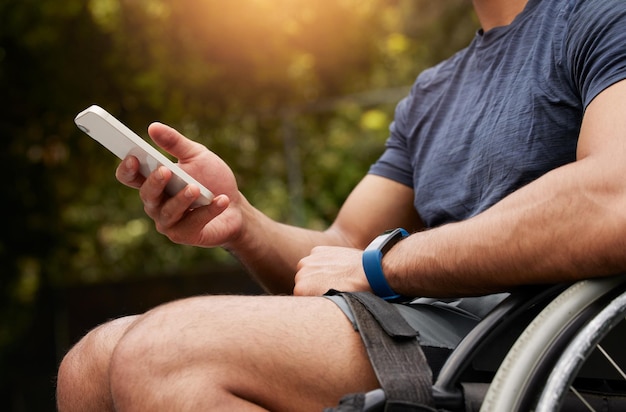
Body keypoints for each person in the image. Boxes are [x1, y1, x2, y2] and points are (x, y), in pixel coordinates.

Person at [56, 0, 626, 410]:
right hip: (441, 331)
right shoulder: (433, 92)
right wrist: (239, 220)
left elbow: (613, 198)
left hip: (544, 344)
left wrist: (383, 266)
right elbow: (342, 250)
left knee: (166, 351)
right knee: (90, 363)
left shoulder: (601, 18)